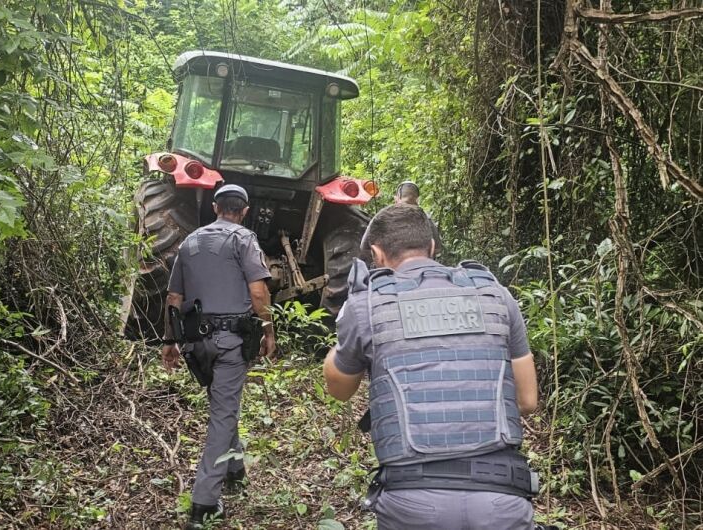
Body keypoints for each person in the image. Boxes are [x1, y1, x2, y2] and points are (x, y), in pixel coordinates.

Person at [323, 203, 540, 530]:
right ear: (433, 248)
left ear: (377, 254)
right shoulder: (496, 295)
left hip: (413, 502)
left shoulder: (365, 305)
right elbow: (527, 400)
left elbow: (339, 389)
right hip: (501, 497)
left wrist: (345, 321)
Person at [161, 184, 276, 530]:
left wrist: (169, 340)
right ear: (244, 210)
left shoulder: (190, 242)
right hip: (230, 342)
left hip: (196, 343)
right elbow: (258, 291)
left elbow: (174, 295)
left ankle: (235, 468)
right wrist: (269, 330)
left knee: (223, 404)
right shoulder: (244, 239)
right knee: (223, 415)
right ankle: (204, 503)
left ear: (215, 207)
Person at [394, 181, 443, 260]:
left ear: (397, 197)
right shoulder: (426, 218)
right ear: (417, 200)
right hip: (424, 266)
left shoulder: (389, 218)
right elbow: (437, 249)